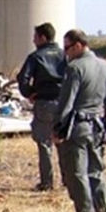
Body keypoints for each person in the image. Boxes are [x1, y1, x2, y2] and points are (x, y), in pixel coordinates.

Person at [53, 29, 106, 212]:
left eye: (67, 48)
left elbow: (66, 103)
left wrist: (58, 128)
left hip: (78, 128)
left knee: (77, 174)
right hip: (98, 126)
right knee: (96, 172)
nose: (65, 53)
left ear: (78, 45)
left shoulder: (75, 68)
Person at [17, 22, 65, 192]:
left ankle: (47, 182)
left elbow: (23, 78)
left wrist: (29, 93)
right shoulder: (65, 55)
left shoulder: (36, 57)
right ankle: (68, 180)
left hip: (44, 103)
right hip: (64, 103)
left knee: (45, 143)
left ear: (43, 38)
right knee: (63, 142)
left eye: (35, 36)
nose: (33, 39)